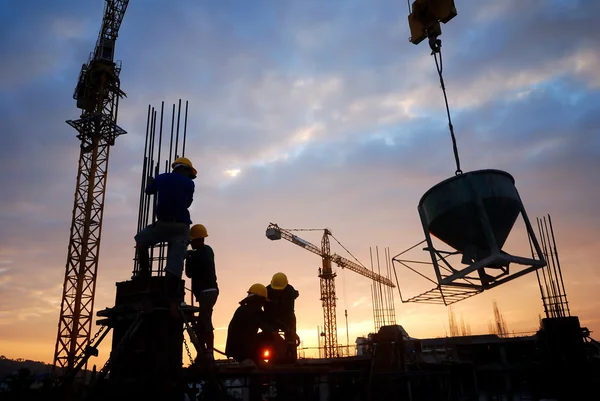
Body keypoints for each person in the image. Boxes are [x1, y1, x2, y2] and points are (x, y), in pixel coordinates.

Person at [134, 157, 196, 296]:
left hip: (162, 224)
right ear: (184, 169)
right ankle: (171, 296)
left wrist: (152, 182)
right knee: (175, 265)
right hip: (181, 227)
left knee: (141, 241)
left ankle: (144, 272)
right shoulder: (190, 183)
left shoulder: (161, 178)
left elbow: (148, 191)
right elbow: (187, 203)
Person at [184, 223, 218, 362]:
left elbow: (189, 274)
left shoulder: (200, 254)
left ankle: (208, 353)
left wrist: (188, 258)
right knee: (202, 322)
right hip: (210, 291)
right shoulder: (207, 251)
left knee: (205, 321)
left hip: (206, 292)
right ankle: (204, 352)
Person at [225, 284, 276, 365]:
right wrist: (273, 333)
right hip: (240, 351)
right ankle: (254, 361)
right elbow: (260, 323)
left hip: (245, 348)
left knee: (269, 335)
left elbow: (269, 319)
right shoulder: (244, 311)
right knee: (268, 335)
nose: (262, 305)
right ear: (257, 300)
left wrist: (287, 329)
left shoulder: (253, 310)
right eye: (262, 302)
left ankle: (257, 359)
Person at [264, 272, 299, 342]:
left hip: (287, 317)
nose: (278, 291)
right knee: (269, 338)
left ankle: (291, 349)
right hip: (270, 317)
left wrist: (290, 331)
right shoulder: (267, 291)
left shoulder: (290, 291)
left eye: (280, 290)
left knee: (291, 338)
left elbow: (289, 311)